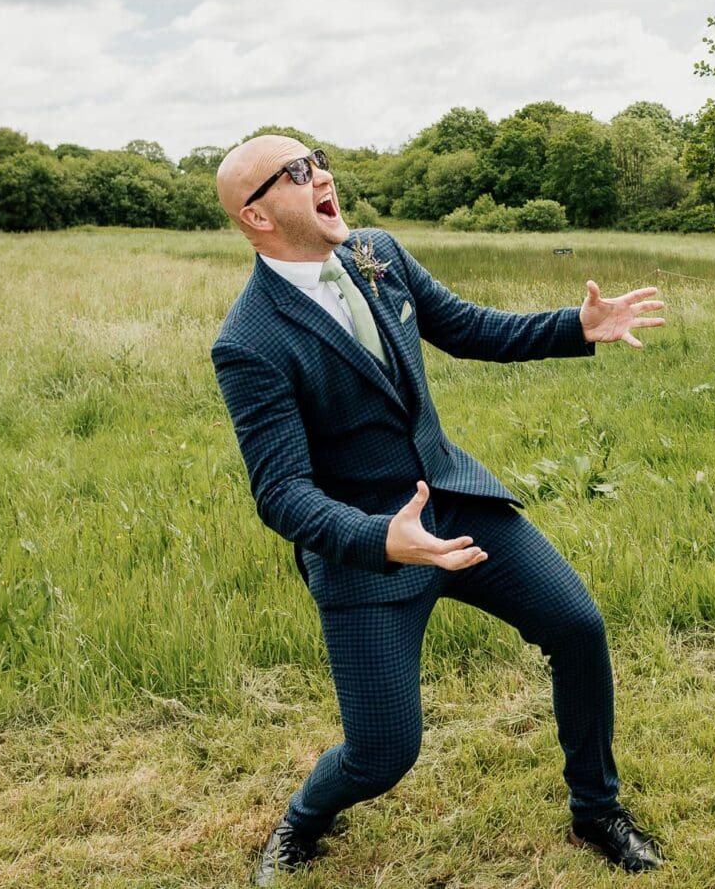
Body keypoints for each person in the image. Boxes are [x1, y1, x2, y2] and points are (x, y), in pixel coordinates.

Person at [211, 134, 666, 885]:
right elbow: (281, 491)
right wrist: (379, 538)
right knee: (382, 754)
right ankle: (304, 817)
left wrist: (575, 326)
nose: (321, 173)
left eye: (317, 157)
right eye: (295, 172)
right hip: (369, 549)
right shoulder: (249, 341)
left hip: (456, 503)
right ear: (255, 216)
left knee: (578, 627)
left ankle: (597, 809)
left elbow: (469, 327)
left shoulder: (373, 252)